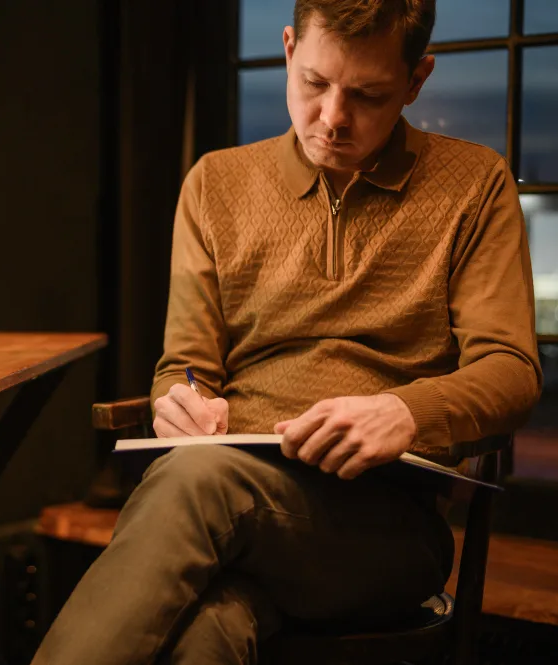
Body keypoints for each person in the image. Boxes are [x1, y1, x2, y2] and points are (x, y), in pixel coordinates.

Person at [32, 1, 542, 663]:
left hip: (383, 527)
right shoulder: (216, 184)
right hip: (230, 507)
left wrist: (405, 410)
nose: (332, 119)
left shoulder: (473, 185)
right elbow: (186, 365)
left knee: (198, 485)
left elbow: (512, 369)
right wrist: (178, 400)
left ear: (416, 81)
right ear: (286, 49)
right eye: (313, 83)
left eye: (368, 94)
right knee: (208, 628)